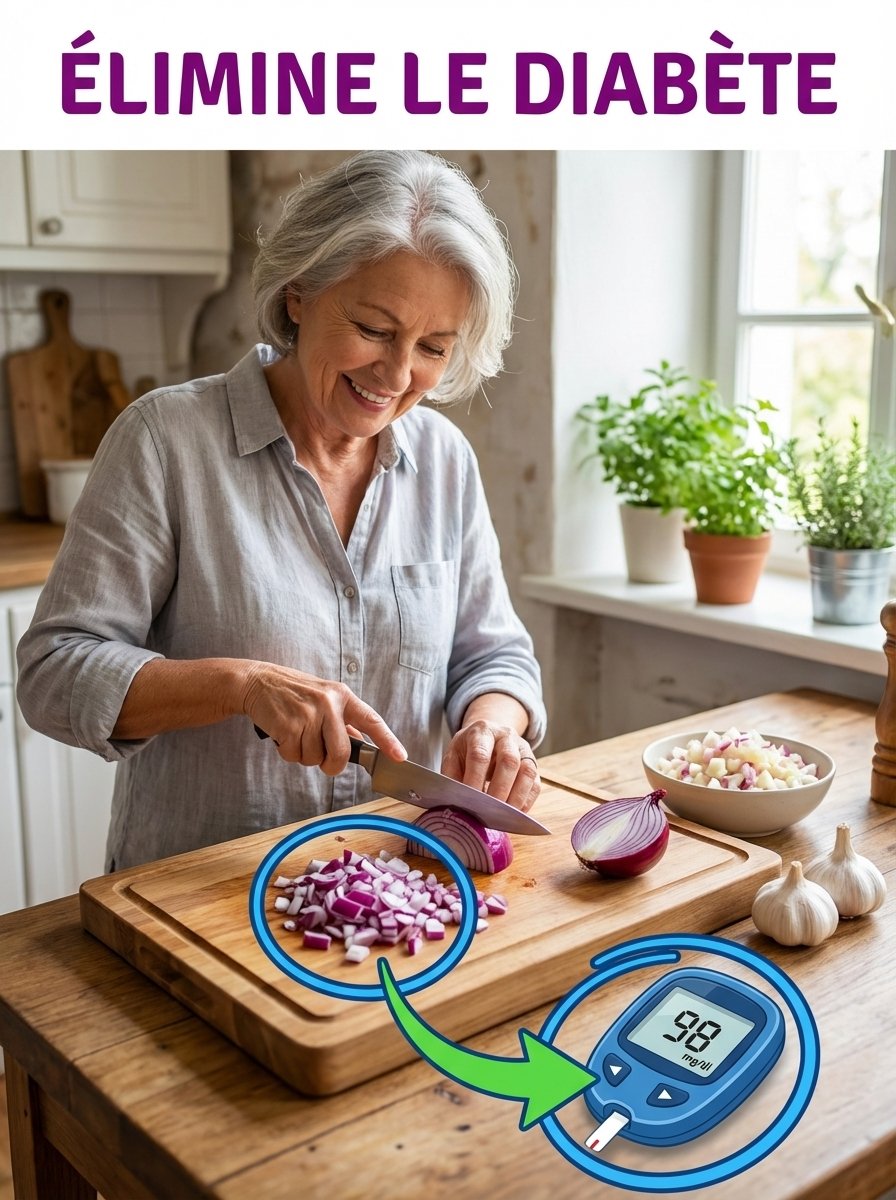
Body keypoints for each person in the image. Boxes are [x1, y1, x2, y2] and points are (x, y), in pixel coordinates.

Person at [16, 149, 547, 872]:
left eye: (433, 347)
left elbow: (495, 654)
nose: (397, 375)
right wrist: (242, 686)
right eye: (374, 328)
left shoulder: (444, 460)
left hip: (398, 889)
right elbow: (54, 674)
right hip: (200, 896)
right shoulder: (166, 440)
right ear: (300, 293)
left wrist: (494, 725)